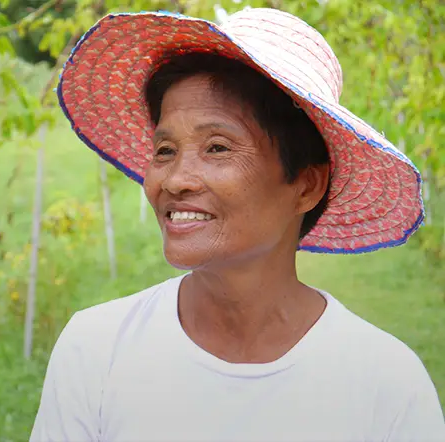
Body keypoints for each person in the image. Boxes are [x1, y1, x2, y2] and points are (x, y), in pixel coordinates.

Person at [30, 7, 444, 442]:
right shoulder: (94, 352)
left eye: (217, 147)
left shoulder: (388, 389)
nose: (174, 180)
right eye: (165, 150)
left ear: (306, 184)